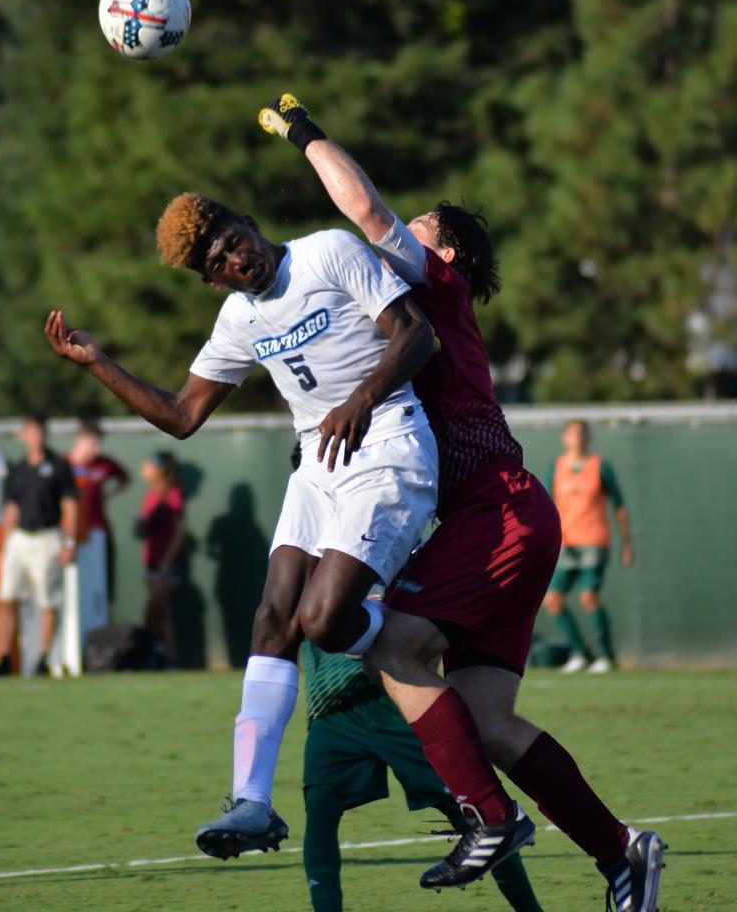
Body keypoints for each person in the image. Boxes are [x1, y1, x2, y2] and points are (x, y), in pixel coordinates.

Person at [264, 93, 665, 909]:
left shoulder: (436, 285)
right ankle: (624, 853)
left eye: (416, 228)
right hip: (510, 517)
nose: (397, 234)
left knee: (389, 648)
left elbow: (361, 205)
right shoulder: (420, 303)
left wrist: (304, 132)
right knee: (488, 724)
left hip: (500, 515)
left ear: (440, 248)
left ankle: (487, 818)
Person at [46, 189, 458, 868]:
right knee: (273, 617)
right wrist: (98, 364)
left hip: (388, 443)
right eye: (220, 260)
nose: (238, 258)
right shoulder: (237, 319)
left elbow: (417, 334)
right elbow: (182, 416)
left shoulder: (328, 250)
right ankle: (252, 803)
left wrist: (360, 398)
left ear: (252, 224)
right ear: (211, 279)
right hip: (321, 462)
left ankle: (424, 640)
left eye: (236, 239)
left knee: (324, 620)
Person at [291, 434, 541, 912]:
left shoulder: (391, 513)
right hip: (330, 712)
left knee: (477, 815)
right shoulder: (298, 539)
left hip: (396, 699)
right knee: (319, 814)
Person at [544, 419, 635, 674]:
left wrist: (626, 543)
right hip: (566, 543)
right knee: (553, 600)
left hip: (594, 541)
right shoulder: (557, 468)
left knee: (588, 596)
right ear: (565, 438)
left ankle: (606, 656)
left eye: (581, 434)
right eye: (572, 434)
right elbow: (547, 506)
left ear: (588, 438)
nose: (577, 439)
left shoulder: (600, 467)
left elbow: (620, 506)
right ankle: (580, 653)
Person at [0, 413, 78, 675]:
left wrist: (69, 542)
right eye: (30, 432)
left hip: (48, 536)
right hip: (20, 538)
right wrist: (4, 543)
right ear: (23, 436)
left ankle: (44, 658)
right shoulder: (19, 468)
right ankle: (6, 658)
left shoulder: (58, 465)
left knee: (47, 600)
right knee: (8, 596)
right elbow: (11, 507)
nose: (36, 437)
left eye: (39, 432)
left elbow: (69, 505)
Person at [67, 418, 129, 605]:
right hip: (73, 534)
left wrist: (108, 495)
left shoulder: (104, 463)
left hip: (99, 530)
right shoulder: (63, 465)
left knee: (101, 586)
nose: (97, 450)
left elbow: (124, 478)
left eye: (99, 444)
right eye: (93, 443)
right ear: (80, 440)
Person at [137, 450, 187, 668]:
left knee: (154, 611)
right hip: (151, 563)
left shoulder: (174, 496)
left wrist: (167, 562)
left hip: (168, 565)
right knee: (162, 614)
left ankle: (165, 656)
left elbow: (179, 533)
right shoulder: (150, 497)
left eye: (148, 465)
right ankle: (164, 657)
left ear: (159, 470)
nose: (144, 470)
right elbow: (144, 530)